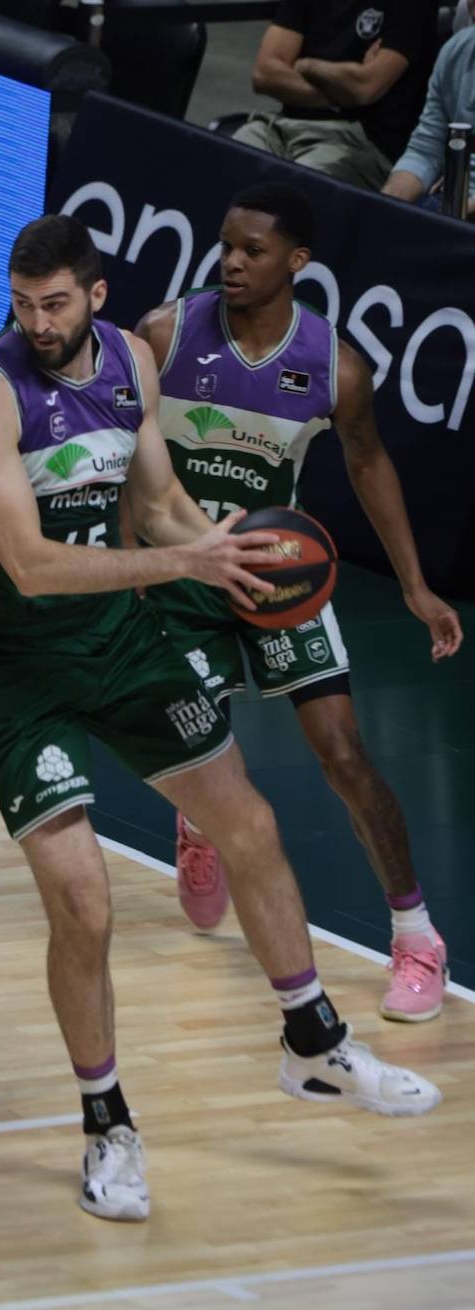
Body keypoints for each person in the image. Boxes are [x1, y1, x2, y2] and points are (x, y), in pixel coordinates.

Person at [0, 212, 441, 1222]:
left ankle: (313, 1041)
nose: (38, 322)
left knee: (246, 822)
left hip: (117, 640)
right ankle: (107, 1123)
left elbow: (158, 501)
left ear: (96, 296)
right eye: (25, 305)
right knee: (85, 903)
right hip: (13, 663)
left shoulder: (128, 362)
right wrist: (183, 562)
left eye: (57, 304)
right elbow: (31, 567)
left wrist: (224, 549)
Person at [134, 182, 462, 1021]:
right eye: (225, 245)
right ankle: (199, 824)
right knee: (202, 753)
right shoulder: (166, 336)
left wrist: (417, 588)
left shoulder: (334, 367)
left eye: (251, 250)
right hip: (180, 576)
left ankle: (416, 937)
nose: (231, 262)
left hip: (279, 575)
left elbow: (367, 465)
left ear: (297, 263)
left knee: (345, 757)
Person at [234, 0, 436, 191]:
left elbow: (365, 88)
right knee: (229, 157)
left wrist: (305, 66)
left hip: (356, 142)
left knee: (300, 186)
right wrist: (342, 92)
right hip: (281, 127)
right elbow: (264, 74)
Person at [382, 0, 475, 216]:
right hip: (447, 206)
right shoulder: (455, 52)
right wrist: (387, 203)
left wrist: (460, 211)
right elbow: (425, 149)